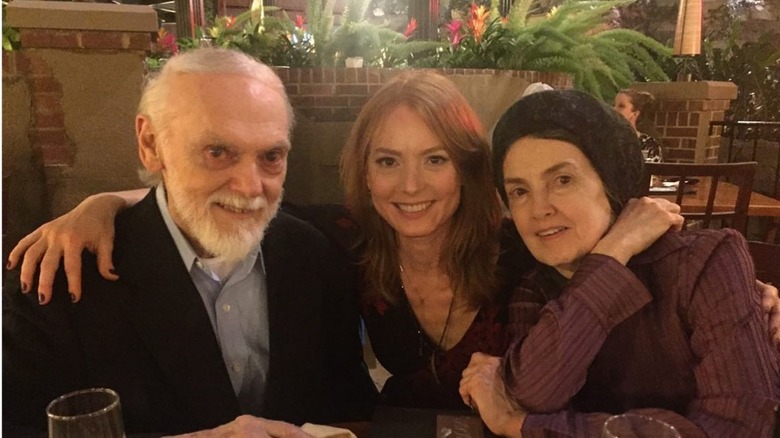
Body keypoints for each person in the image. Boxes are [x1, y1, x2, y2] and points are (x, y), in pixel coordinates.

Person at [7, 71, 780, 412]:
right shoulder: (339, 240)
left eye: (435, 160)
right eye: (387, 162)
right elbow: (239, 200)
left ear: (470, 172)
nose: (411, 187)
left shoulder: (523, 243)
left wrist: (740, 303)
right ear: (363, 174)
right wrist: (109, 203)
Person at [3, 48, 377, 436]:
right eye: (217, 152)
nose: (250, 187)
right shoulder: (58, 281)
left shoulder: (314, 255)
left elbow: (349, 407)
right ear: (150, 144)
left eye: (271, 156)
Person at [459, 89, 779, 437]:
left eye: (563, 180)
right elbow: (536, 393)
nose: (539, 209)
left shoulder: (704, 262)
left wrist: (520, 426)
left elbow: (740, 427)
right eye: (520, 191)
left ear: (612, 182)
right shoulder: (533, 289)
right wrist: (611, 255)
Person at [614, 89, 664, 163]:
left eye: (621, 106)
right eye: (614, 105)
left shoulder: (649, 144)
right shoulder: (604, 139)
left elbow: (652, 172)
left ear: (635, 113)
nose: (614, 109)